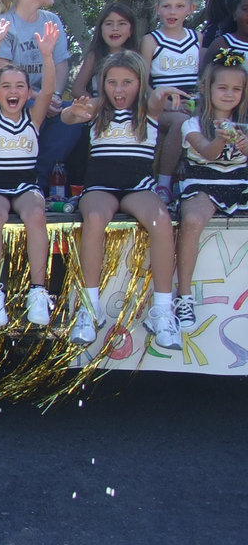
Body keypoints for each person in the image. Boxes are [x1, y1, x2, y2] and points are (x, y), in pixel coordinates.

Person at [61, 50, 183, 349]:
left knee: (161, 220)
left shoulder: (148, 109)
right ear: (102, 84)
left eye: (127, 82)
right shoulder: (98, 108)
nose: (118, 90)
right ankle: (89, 310)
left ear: (141, 83)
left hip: (138, 184)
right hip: (101, 185)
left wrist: (165, 92)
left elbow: (159, 100)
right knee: (94, 219)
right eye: (111, 82)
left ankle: (163, 312)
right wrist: (73, 113)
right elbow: (70, 115)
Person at [0, 19, 60, 328]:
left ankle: (38, 291)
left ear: (28, 93)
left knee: (36, 215)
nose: (13, 91)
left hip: (25, 185)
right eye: (6, 86)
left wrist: (47, 55)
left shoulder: (32, 119)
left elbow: (49, 89)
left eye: (20, 86)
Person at [0, 0, 77, 191]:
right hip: (12, 100)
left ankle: (49, 182)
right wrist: (39, 98)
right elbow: (0, 76)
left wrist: (52, 95)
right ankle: (33, 182)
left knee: (75, 118)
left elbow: (61, 64)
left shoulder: (52, 21)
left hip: (46, 96)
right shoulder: (2, 23)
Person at [173, 50, 248, 330]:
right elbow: (207, 152)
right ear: (207, 88)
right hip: (203, 182)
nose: (229, 94)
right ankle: (184, 297)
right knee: (191, 220)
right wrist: (219, 138)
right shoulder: (192, 123)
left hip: (240, 183)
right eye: (222, 87)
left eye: (236, 89)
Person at [140, 0, 201, 205]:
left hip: (191, 103)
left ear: (190, 9)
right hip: (161, 105)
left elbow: (202, 81)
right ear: (157, 9)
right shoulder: (151, 40)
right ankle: (164, 184)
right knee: (181, 123)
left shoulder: (197, 38)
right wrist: (160, 102)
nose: (172, 12)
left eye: (179, 6)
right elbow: (142, 82)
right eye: (166, 6)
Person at [72, 2, 138, 98]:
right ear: (101, 29)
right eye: (109, 24)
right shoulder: (94, 56)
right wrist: (96, 104)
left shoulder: (136, 58)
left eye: (122, 23)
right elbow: (77, 90)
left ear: (131, 30)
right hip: (100, 109)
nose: (115, 28)